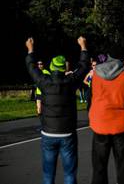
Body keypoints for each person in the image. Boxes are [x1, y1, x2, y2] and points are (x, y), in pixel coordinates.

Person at [25, 36, 89, 184]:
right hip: (67, 133)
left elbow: (31, 67)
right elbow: (84, 65)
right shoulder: (71, 81)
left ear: (52, 68)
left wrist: (30, 49)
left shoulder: (44, 81)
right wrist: (83, 46)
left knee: (48, 175)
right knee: (69, 175)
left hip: (48, 133)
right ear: (63, 68)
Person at [89, 51, 124, 184]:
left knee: (99, 167)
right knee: (123, 167)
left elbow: (91, 97)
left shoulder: (96, 76)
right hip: (121, 125)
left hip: (100, 124)